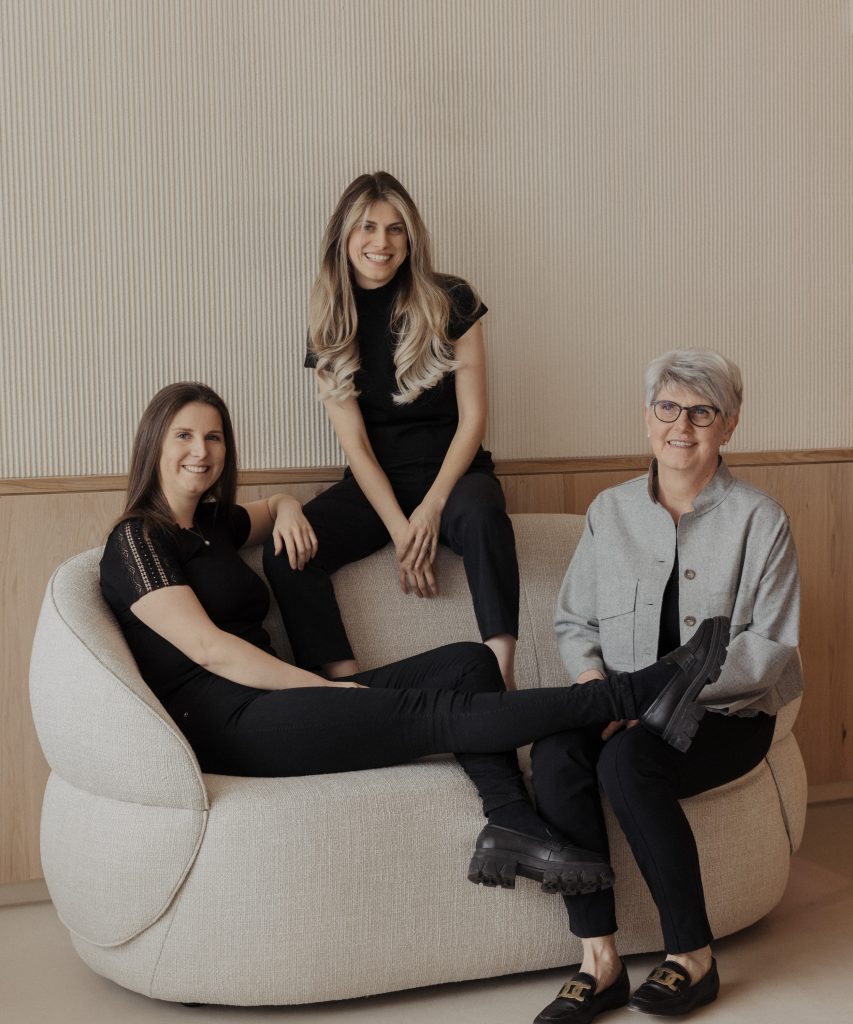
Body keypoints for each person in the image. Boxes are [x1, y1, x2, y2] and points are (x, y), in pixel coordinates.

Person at [99, 382, 730, 898]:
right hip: (231, 723)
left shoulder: (213, 526)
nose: (201, 451)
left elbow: (267, 511)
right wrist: (324, 689)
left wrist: (288, 505)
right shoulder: (135, 541)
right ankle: (629, 695)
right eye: (184, 436)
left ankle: (510, 821)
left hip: (275, 700)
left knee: (468, 664)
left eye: (213, 437)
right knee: (433, 713)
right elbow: (209, 649)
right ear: (154, 444)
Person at [531, 350, 804, 1023]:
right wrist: (595, 686)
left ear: (729, 424)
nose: (682, 426)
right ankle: (599, 962)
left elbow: (766, 650)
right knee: (554, 754)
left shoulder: (761, 520)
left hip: (728, 713)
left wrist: (648, 705)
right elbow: (574, 621)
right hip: (621, 701)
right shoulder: (610, 511)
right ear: (647, 417)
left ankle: (692, 957)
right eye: (668, 408)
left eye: (702, 412)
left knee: (628, 760)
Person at [262, 171, 520, 686]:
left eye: (395, 228)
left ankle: (502, 675)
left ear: (411, 237)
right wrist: (403, 532)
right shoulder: (330, 322)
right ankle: (348, 687)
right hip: (376, 483)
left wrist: (432, 507)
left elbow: (473, 419)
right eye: (368, 227)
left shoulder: (452, 299)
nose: (381, 242)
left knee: (484, 518)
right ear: (344, 236)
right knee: (285, 555)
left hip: (455, 475)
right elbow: (356, 446)